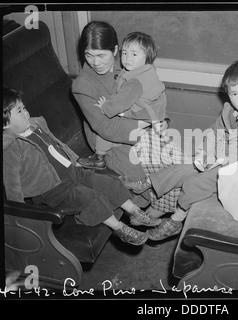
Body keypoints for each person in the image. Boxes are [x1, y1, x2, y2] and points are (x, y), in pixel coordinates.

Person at [124, 58, 238, 241]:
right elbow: (214, 132)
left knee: (195, 182)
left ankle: (175, 221)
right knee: (183, 167)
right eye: (234, 94)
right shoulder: (229, 110)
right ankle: (148, 182)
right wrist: (204, 153)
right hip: (219, 157)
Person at [2, 86, 162, 246]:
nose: (26, 113)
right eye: (19, 111)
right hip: (53, 190)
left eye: (24, 108)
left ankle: (134, 212)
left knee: (108, 183)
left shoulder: (34, 126)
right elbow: (12, 184)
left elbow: (58, 146)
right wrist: (21, 216)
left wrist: (74, 160)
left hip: (72, 172)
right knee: (91, 197)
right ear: (5, 124)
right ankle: (120, 228)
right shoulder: (10, 149)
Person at [72, 21, 186, 216]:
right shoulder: (83, 85)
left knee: (177, 167)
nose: (95, 62)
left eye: (101, 55)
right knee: (153, 174)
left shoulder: (130, 62)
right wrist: (149, 132)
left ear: (115, 50)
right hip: (110, 142)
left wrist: (160, 120)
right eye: (88, 55)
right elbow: (106, 127)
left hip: (140, 127)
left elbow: (152, 97)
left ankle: (157, 217)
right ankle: (149, 219)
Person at [78, 31, 167, 170]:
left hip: (140, 116)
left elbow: (119, 103)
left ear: (148, 56)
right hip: (152, 116)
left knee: (107, 127)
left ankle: (99, 157)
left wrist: (105, 107)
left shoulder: (135, 81)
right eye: (124, 53)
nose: (127, 58)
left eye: (134, 54)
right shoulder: (148, 71)